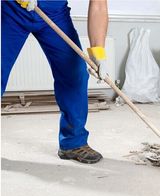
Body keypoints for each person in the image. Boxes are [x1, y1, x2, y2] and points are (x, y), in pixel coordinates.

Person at [1, 0, 109, 164]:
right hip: (11, 10)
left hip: (54, 12)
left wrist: (98, 53)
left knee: (75, 72)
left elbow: (99, 6)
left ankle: (73, 143)